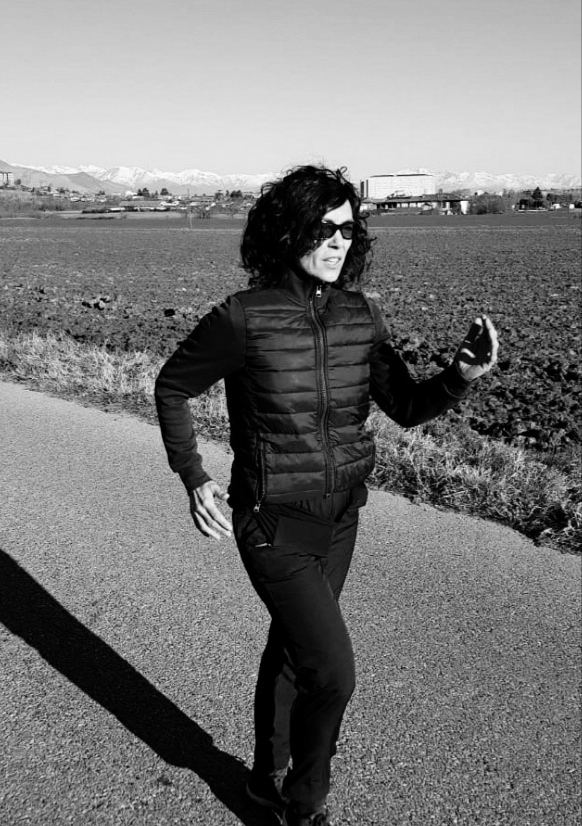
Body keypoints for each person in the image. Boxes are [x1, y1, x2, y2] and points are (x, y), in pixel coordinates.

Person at [154, 165, 498, 826]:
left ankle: (264, 779)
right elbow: (172, 387)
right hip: (272, 522)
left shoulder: (361, 315)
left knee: (295, 650)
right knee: (333, 673)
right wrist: (193, 475)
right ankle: (303, 804)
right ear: (290, 232)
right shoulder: (243, 317)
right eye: (324, 228)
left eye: (348, 228)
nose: (339, 241)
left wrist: (459, 376)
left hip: (341, 517)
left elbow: (405, 405)